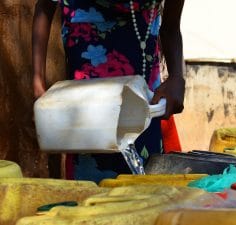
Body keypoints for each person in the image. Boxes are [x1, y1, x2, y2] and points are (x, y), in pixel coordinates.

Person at [32, 0, 185, 182]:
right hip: (88, 103)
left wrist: (177, 77)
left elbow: (171, 27)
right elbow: (44, 6)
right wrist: (37, 80)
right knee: (91, 189)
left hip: (142, 98)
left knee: (146, 186)